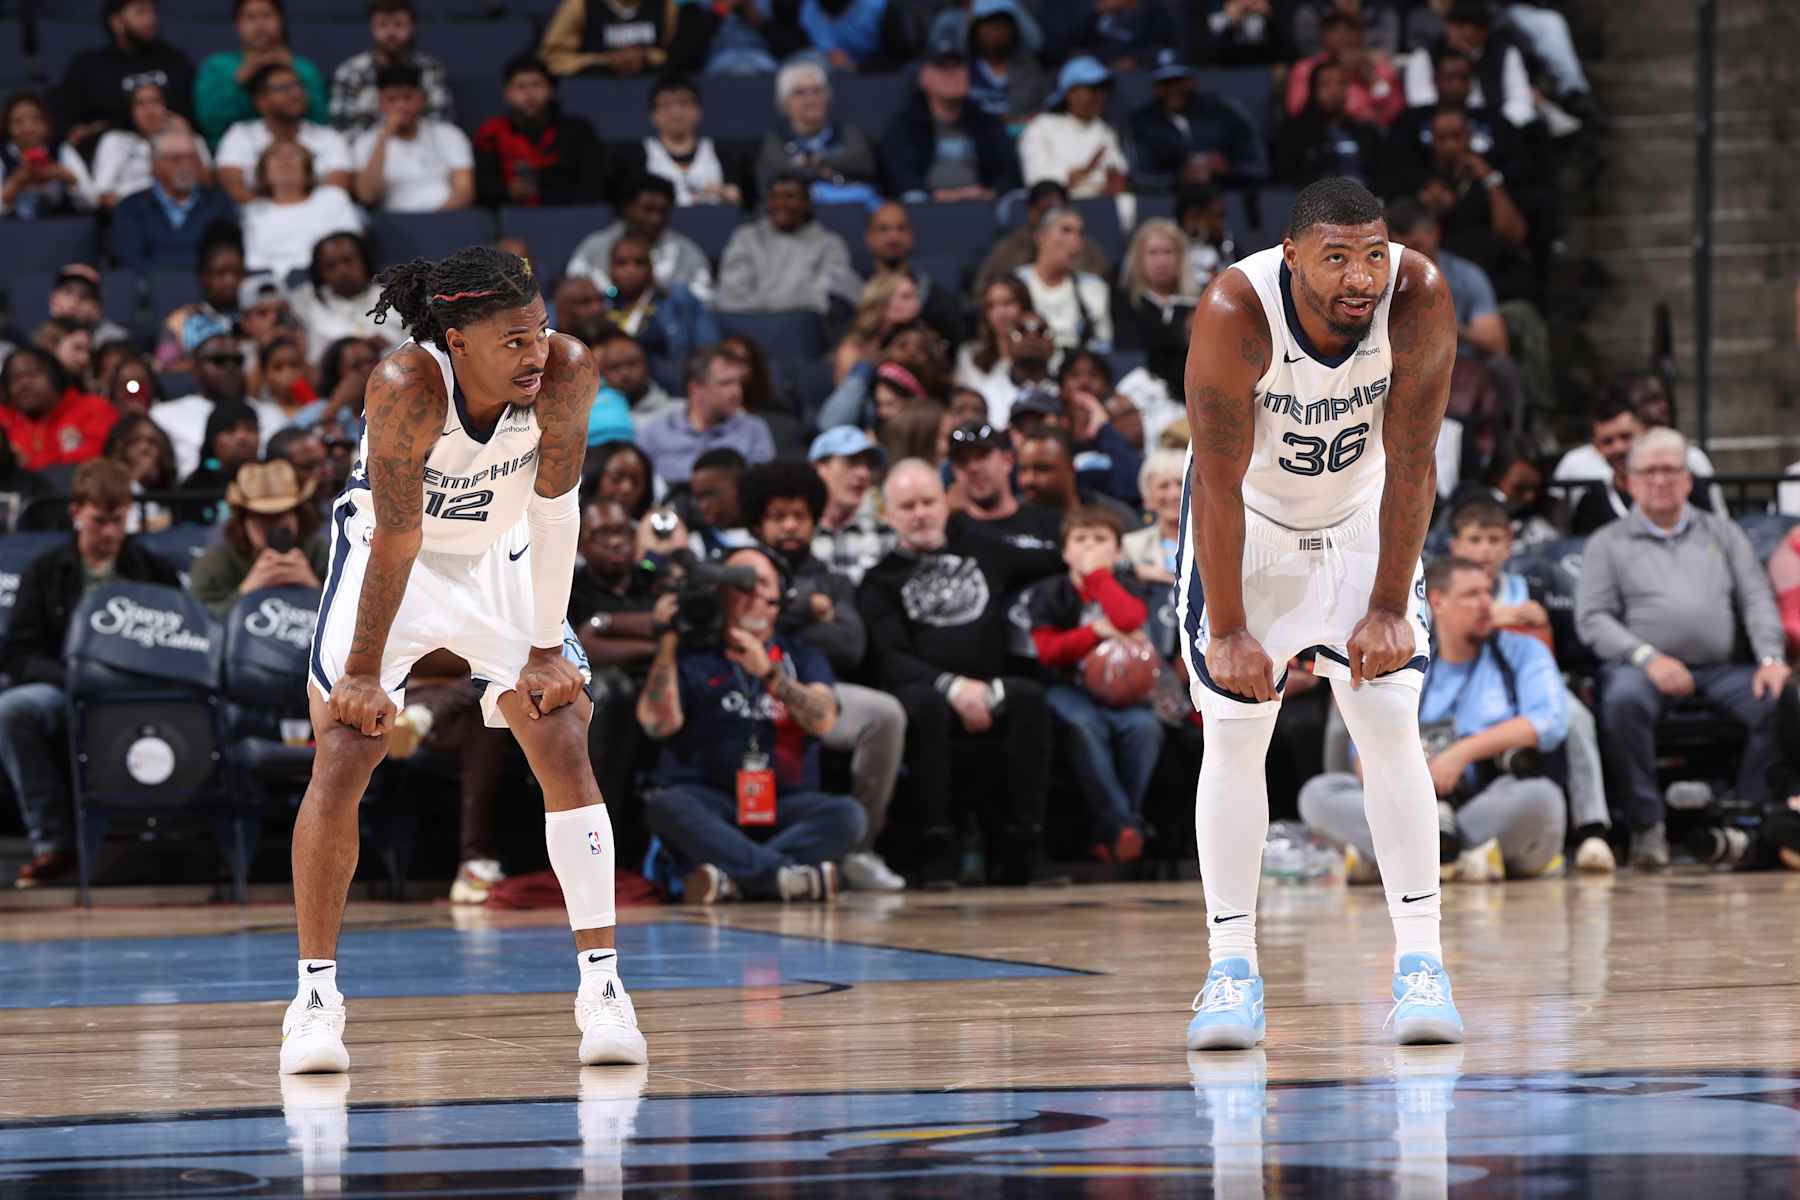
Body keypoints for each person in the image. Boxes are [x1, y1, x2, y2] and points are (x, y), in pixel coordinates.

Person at [287, 245, 647, 1074]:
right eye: (512, 341)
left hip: (503, 553)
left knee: (560, 727)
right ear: (456, 341)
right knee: (345, 748)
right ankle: (313, 1000)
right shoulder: (406, 386)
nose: (534, 354)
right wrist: (368, 673)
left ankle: (603, 987)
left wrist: (546, 648)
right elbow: (400, 536)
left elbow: (557, 512)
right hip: (394, 559)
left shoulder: (567, 372)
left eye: (539, 331)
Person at [1177, 177, 1462, 1051]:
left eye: (1373, 254)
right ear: (1291, 255)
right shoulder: (1236, 308)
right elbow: (1217, 485)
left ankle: (1422, 963)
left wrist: (1386, 605)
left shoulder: (1418, 297)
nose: (1361, 277)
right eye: (1336, 257)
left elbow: (1414, 463)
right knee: (1233, 734)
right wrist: (1227, 629)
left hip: (1361, 518)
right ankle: (1231, 971)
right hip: (1249, 527)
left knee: (1387, 719)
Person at [1575, 427, 1790, 871]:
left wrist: (1771, 659)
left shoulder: (1724, 532)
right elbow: (1593, 619)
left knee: (1780, 699)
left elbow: (1756, 599)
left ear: (1688, 480)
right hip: (1640, 667)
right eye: (1649, 471)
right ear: (1629, 481)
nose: (1660, 480)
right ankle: (1646, 825)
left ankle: (1745, 822)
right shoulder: (1607, 543)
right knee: (1622, 701)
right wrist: (1647, 658)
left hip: (1720, 668)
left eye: (1671, 470)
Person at [1301, 555, 1569, 880]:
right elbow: (1362, 753)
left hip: (1484, 797)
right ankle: (1455, 858)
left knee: (1542, 797)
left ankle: (1407, 858)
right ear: (1437, 602)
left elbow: (1548, 722)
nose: (1486, 604)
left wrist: (1461, 754)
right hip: (1411, 796)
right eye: (1472, 595)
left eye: (1489, 593)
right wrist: (1407, 774)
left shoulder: (1523, 651)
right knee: (1319, 794)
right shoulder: (1411, 657)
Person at [858, 460, 1060, 885]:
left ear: (945, 503)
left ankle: (1023, 851)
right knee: (926, 705)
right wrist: (952, 687)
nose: (920, 514)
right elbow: (891, 658)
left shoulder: (983, 547)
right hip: (926, 687)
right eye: (907, 506)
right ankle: (937, 850)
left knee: (1029, 697)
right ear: (888, 516)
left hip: (991, 683)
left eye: (929, 502)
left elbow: (1051, 559)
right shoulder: (879, 581)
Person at [636, 545, 864, 902]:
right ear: (721, 594)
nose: (754, 594)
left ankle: (733, 878)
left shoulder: (801, 655)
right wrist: (667, 638)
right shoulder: (691, 655)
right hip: (712, 801)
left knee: (847, 815)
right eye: (740, 585)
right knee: (666, 806)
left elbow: (823, 720)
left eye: (763, 584)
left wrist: (770, 674)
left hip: (785, 801)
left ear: (779, 595)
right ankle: (783, 877)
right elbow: (656, 725)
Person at [1, 459, 182, 888]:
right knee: (12, 711)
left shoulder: (152, 570)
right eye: (100, 521)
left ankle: (165, 842)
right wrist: (69, 678)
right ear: (76, 513)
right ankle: (52, 845)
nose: (110, 533)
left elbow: (182, 643)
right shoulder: (45, 571)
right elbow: (19, 653)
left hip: (137, 690)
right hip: (65, 687)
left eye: (119, 521)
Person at [743, 462, 908, 891]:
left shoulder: (831, 580)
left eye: (799, 516)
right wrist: (807, 608)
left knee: (884, 714)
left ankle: (858, 848)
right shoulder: (742, 571)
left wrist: (789, 613)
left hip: (813, 688)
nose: (791, 526)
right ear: (757, 523)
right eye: (778, 517)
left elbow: (850, 645)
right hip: (741, 683)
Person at [1446, 496, 1614, 871]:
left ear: (1509, 544)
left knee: (1577, 719)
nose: (1484, 550)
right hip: (1463, 686)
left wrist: (1541, 628)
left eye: (1493, 540)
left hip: (1526, 688)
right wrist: (1488, 621)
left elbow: (1553, 654)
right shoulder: (1437, 585)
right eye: (1475, 540)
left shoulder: (1530, 587)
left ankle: (1592, 829)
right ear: (1455, 545)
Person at [1027, 505, 1164, 863]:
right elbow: (1048, 651)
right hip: (1068, 688)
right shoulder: (1049, 592)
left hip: (1126, 695)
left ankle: (1117, 831)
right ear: (1064, 551)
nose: (1089, 548)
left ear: (1118, 551)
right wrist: (1095, 631)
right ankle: (1125, 827)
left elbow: (1130, 617)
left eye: (1100, 540)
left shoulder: (1126, 585)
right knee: (1085, 726)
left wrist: (1100, 579)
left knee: (1145, 728)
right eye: (1080, 539)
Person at [876, 28, 1020, 204]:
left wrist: (991, 193)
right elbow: (899, 178)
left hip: (982, 207)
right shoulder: (904, 124)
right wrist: (942, 196)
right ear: (923, 78)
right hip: (925, 210)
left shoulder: (987, 122)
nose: (952, 74)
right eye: (942, 67)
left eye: (958, 66)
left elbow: (1009, 171)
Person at [1554, 385, 1724, 531]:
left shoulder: (1686, 486)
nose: (1618, 448)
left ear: (1644, 432)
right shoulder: (1592, 503)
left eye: (1626, 437)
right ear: (1596, 447)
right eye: (1607, 442)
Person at [187, 458, 325, 617]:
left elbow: (349, 619)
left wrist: (314, 588)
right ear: (242, 520)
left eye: (281, 515)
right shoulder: (217, 560)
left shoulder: (319, 552)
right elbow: (197, 623)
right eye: (262, 517)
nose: (273, 525)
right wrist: (246, 591)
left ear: (298, 515)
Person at [472, 55, 607, 209]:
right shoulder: (490, 133)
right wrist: (508, 192)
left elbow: (592, 185)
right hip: (510, 220)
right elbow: (483, 189)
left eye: (537, 85)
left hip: (568, 215)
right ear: (507, 94)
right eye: (521, 87)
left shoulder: (578, 131)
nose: (530, 95)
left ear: (551, 91)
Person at [715, 174, 863, 315]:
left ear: (807, 203)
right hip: (749, 327)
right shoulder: (745, 238)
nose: (780, 204)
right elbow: (731, 294)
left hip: (804, 330)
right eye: (774, 197)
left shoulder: (830, 244)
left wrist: (767, 305)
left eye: (789, 197)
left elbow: (822, 299)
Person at [56, 0, 197, 146]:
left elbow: (192, 112)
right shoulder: (89, 66)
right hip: (111, 149)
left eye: (152, 11)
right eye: (141, 12)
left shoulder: (173, 59)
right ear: (116, 22)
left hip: (171, 143)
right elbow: (69, 122)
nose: (151, 19)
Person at [216, 63, 354, 206]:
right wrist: (275, 217)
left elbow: (336, 189)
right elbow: (233, 188)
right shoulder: (240, 135)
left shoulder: (329, 137)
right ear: (260, 101)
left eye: (298, 85)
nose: (295, 93)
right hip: (257, 220)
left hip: (321, 220)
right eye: (282, 89)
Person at [196, 0, 329, 146]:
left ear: (281, 21)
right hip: (234, 154)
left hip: (299, 150)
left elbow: (320, 120)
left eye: (267, 16)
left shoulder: (303, 68)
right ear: (237, 25)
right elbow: (209, 124)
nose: (260, 25)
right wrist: (238, 83)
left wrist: (293, 78)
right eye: (250, 17)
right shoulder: (217, 68)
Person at [1128, 49, 1266, 190]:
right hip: (1169, 202)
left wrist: (1229, 169)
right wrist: (1179, 177)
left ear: (1192, 81)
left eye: (1179, 81)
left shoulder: (1224, 112)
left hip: (1226, 195)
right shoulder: (1142, 122)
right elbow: (1139, 176)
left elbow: (1258, 165)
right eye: (1165, 83)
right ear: (1155, 88)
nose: (1173, 89)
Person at [637, 344, 773, 485]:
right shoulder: (654, 432)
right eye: (725, 384)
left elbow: (761, 488)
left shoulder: (754, 429)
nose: (737, 392)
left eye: (739, 383)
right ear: (695, 389)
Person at [568, 175, 714, 304]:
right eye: (648, 209)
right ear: (628, 208)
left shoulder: (688, 252)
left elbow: (704, 302)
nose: (656, 219)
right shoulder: (595, 246)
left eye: (662, 211)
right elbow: (571, 292)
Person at [753, 58, 880, 204]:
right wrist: (824, 171)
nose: (811, 100)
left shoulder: (848, 133)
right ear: (784, 103)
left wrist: (813, 162)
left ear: (828, 98)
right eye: (800, 93)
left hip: (851, 208)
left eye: (817, 91)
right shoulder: (774, 140)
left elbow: (862, 163)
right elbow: (776, 171)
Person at [350, 64, 474, 213]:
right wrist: (384, 137)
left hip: (445, 217)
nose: (401, 106)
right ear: (380, 103)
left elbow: (464, 192)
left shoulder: (450, 135)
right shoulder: (365, 142)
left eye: (408, 98)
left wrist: (432, 221)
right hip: (394, 224)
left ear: (422, 99)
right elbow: (367, 196)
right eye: (392, 100)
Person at [108, 129, 236, 270]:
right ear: (155, 166)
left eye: (192, 158)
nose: (186, 165)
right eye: (176, 159)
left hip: (206, 290)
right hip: (150, 289)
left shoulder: (220, 204)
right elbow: (129, 261)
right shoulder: (130, 207)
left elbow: (225, 260)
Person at [612, 74, 742, 208]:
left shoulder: (723, 154)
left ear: (698, 111)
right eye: (666, 105)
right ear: (653, 115)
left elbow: (741, 200)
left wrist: (729, 194)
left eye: (684, 103)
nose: (676, 113)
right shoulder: (635, 157)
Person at [595, 235, 719, 373]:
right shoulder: (600, 305)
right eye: (621, 263)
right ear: (610, 269)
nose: (630, 270)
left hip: (672, 381)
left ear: (651, 268)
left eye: (639, 263)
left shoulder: (678, 298)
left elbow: (708, 347)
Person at [240, 142, 365, 279]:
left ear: (307, 169)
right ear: (264, 173)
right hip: (277, 287)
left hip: (329, 279)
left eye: (293, 155)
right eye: (276, 155)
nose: (285, 160)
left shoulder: (333, 197)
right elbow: (255, 262)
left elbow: (351, 245)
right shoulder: (254, 211)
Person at [328, 0, 454, 135]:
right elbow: (340, 130)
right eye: (383, 25)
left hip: (422, 151)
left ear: (412, 27)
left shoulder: (430, 69)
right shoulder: (350, 71)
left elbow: (442, 126)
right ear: (372, 28)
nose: (391, 32)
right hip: (365, 153)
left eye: (399, 24)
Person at [1403, 1, 1535, 129]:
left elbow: (1520, 103)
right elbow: (1421, 101)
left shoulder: (1505, 54)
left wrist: (1494, 128)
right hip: (1440, 133)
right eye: (1460, 25)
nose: (1468, 32)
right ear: (1447, 25)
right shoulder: (1425, 55)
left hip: (1496, 132)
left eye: (1477, 26)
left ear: (1487, 29)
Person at [153, 314, 253, 478]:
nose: (230, 367)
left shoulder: (268, 412)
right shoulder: (163, 416)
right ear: (195, 367)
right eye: (219, 360)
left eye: (237, 360)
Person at [1017, 57, 1129, 201]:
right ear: (1070, 93)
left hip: (1103, 206)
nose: (1100, 96)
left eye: (1103, 90)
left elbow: (1118, 175)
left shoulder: (1106, 131)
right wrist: (1083, 172)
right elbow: (1038, 181)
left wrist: (1114, 182)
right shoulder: (1041, 127)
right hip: (1060, 208)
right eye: (1092, 89)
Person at [973, 179, 1111, 297]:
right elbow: (982, 292)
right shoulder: (1009, 249)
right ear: (1031, 211)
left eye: (1056, 211)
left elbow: (1103, 286)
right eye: (1045, 210)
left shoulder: (1086, 247)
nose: (1050, 217)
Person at [90, 82, 214, 208]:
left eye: (155, 102)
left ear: (167, 107)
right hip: (132, 215)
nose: (150, 111)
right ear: (130, 111)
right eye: (140, 104)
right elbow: (103, 195)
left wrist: (186, 136)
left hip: (184, 214)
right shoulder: (115, 141)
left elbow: (207, 185)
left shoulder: (190, 139)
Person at [1115, 219, 1200, 397]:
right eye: (1153, 253)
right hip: (1139, 389)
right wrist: (1180, 333)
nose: (1161, 261)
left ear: (1180, 257)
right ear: (1139, 259)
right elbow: (1129, 345)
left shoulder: (1197, 306)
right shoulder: (1125, 301)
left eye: (1168, 252)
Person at [863, 202, 965, 348]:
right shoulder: (854, 293)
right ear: (869, 237)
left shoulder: (931, 295)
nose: (893, 237)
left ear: (912, 236)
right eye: (883, 229)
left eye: (901, 229)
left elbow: (956, 344)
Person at [0, 347, 116, 472]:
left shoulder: (93, 407)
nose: (23, 384)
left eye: (32, 374)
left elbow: (94, 463)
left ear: (54, 375)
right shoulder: (5, 421)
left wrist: (27, 464)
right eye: (15, 378)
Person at [1016, 207, 1113, 353]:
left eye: (1080, 234)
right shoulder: (1016, 283)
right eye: (1066, 230)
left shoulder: (1094, 288)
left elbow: (1104, 345)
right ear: (1041, 237)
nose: (1075, 240)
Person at [1285, 11, 1405, 127]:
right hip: (1320, 133)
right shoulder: (1306, 69)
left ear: (1361, 36)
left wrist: (1371, 78)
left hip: (1371, 136)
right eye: (1334, 30)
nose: (1342, 36)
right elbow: (1296, 110)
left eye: (1348, 30)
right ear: (1323, 36)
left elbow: (1394, 113)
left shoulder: (1379, 67)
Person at [1274, 60, 1383, 186]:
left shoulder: (1365, 131)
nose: (1334, 91)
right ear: (1313, 89)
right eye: (1325, 84)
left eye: (1341, 83)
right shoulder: (1294, 133)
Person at [809, 426, 893, 587]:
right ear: (819, 468)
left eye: (868, 465)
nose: (864, 474)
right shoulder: (798, 534)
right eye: (852, 462)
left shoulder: (885, 533)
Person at [287, 234, 386, 365]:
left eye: (348, 260)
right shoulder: (305, 301)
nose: (342, 271)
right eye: (331, 265)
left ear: (364, 261)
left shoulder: (394, 298)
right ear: (320, 272)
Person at [0, 91, 97, 218]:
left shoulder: (62, 151)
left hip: (60, 230)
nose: (28, 128)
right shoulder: (2, 156)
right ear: (8, 127)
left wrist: (68, 177)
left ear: (47, 124)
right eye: (18, 122)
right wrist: (16, 183)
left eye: (36, 119)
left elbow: (93, 203)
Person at [157, 237, 247, 373]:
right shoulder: (181, 321)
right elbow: (165, 367)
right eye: (221, 273)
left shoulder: (259, 316)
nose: (230, 280)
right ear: (205, 277)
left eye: (236, 273)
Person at [961, 0, 1050, 125]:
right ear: (975, 30)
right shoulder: (961, 68)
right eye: (988, 25)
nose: (996, 31)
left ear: (1013, 30)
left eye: (1002, 25)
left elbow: (1042, 113)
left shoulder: (1029, 69)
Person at [175, 400, 260, 525]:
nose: (242, 437)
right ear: (213, 440)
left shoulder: (273, 480)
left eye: (250, 429)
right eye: (230, 430)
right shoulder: (193, 488)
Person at [539, 0, 676, 77]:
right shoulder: (579, 5)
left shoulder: (666, 5)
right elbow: (552, 59)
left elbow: (680, 54)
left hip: (654, 87)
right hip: (594, 89)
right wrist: (605, 61)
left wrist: (646, 56)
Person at [1043, 0, 1178, 68]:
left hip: (1138, 75)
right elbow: (1053, 50)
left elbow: (1169, 50)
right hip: (1086, 74)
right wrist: (1097, 11)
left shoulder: (1150, 7)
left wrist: (1139, 61)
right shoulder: (1068, 5)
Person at [103, 413, 179, 532]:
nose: (144, 448)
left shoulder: (173, 494)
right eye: (135, 441)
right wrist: (134, 480)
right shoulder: (102, 486)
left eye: (152, 442)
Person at [1122, 447, 1185, 583]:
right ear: (1147, 499)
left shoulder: (1214, 542)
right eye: (1164, 486)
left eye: (1181, 484)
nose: (1175, 494)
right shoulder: (1132, 547)